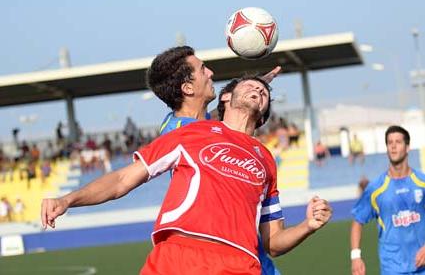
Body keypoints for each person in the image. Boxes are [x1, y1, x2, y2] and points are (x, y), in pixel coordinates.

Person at [42, 76, 332, 275]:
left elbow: (273, 242)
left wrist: (308, 225)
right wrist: (68, 199)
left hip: (240, 263)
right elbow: (122, 180)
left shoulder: (266, 159)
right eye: (250, 86)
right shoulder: (191, 133)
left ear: (266, 110)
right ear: (226, 96)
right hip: (180, 255)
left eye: (264, 92)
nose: (259, 90)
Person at [147, 45, 282, 274]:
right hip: (219, 252)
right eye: (203, 70)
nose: (211, 73)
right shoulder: (181, 131)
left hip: (245, 249)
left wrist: (252, 91)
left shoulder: (200, 124)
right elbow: (123, 179)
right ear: (188, 88)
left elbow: (220, 121)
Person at [350, 125, 425, 275]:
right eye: (389, 142)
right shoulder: (375, 188)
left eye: (398, 142)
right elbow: (358, 220)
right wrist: (355, 257)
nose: (393, 146)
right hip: (392, 268)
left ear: (407, 147)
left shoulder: (422, 182)